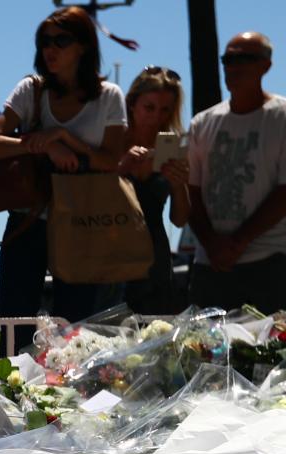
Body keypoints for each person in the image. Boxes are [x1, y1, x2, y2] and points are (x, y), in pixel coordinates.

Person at [0, 5, 126, 322]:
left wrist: (63, 138)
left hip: (82, 220)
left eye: (61, 41)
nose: (50, 49)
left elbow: (112, 161)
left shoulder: (108, 97)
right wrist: (46, 147)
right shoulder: (31, 90)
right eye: (44, 41)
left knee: (74, 326)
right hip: (27, 217)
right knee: (15, 323)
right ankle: (15, 374)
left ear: (84, 45)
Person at [185, 33, 286, 316]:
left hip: (269, 263)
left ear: (266, 66)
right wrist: (212, 245)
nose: (235, 66)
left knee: (275, 356)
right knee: (206, 354)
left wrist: (237, 243)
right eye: (229, 59)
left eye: (246, 58)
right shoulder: (202, 123)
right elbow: (190, 191)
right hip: (210, 265)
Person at [116, 65, 190, 315]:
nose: (156, 116)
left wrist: (179, 185)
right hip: (112, 251)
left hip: (154, 256)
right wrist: (120, 169)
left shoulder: (170, 147)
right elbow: (90, 196)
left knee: (153, 332)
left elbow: (179, 220)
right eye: (149, 108)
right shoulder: (112, 141)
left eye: (165, 109)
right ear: (132, 104)